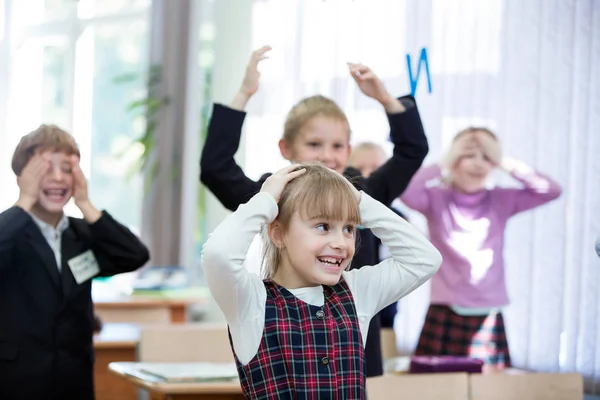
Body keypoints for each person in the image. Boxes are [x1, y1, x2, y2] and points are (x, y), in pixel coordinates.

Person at [200, 46, 429, 376]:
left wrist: (384, 98)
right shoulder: (275, 192)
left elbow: (413, 150)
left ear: (349, 150)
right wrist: (244, 93)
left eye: (337, 146)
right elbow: (215, 168)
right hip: (289, 337)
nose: (327, 156)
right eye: (314, 145)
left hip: (354, 339)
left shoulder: (362, 193)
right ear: (286, 148)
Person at [202, 163, 442, 398]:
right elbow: (219, 254)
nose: (341, 243)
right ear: (278, 234)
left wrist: (359, 202)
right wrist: (264, 200)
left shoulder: (356, 291)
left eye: (349, 228)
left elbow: (425, 259)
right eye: (323, 226)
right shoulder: (250, 301)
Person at [0, 125, 150, 400]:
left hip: (74, 379)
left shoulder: (83, 233)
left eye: (67, 169)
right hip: (16, 380)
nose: (58, 178)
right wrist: (24, 201)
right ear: (22, 175)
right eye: (45, 168)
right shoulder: (10, 231)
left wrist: (85, 203)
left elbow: (134, 255)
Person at [400, 127, 562, 369]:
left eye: (486, 156)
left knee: (489, 390)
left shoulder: (501, 199)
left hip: (488, 311)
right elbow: (406, 189)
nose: (477, 163)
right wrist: (444, 162)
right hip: (445, 308)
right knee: (433, 388)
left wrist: (505, 162)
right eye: (468, 154)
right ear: (454, 159)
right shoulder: (436, 198)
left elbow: (550, 190)